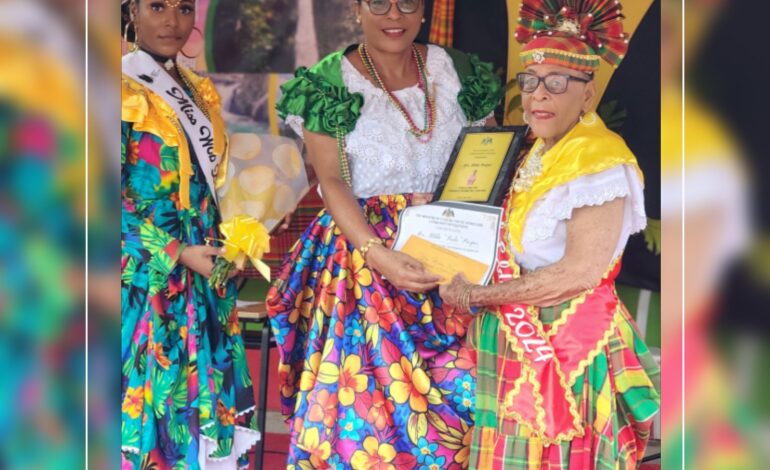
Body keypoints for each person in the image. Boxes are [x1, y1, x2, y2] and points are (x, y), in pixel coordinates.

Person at [266, 0, 502, 466]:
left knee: (472, 397)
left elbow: (491, 154)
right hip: (367, 258)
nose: (394, 14)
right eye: (378, 2)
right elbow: (331, 179)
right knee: (366, 410)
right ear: (356, 8)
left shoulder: (459, 71)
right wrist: (376, 252)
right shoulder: (329, 82)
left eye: (407, 2)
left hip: (457, 255)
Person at [439, 1, 661, 468]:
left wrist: (479, 295)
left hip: (568, 343)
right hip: (517, 332)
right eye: (531, 80)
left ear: (588, 93)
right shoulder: (538, 150)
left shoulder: (599, 160)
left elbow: (578, 273)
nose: (538, 95)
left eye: (556, 82)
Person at [120, 0, 259, 467]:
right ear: (131, 11)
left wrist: (235, 244)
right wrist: (176, 251)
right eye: (157, 6)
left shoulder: (197, 91)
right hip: (145, 277)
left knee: (204, 412)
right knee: (151, 416)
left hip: (205, 273)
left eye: (182, 7)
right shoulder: (112, 87)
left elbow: (213, 185)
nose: (172, 21)